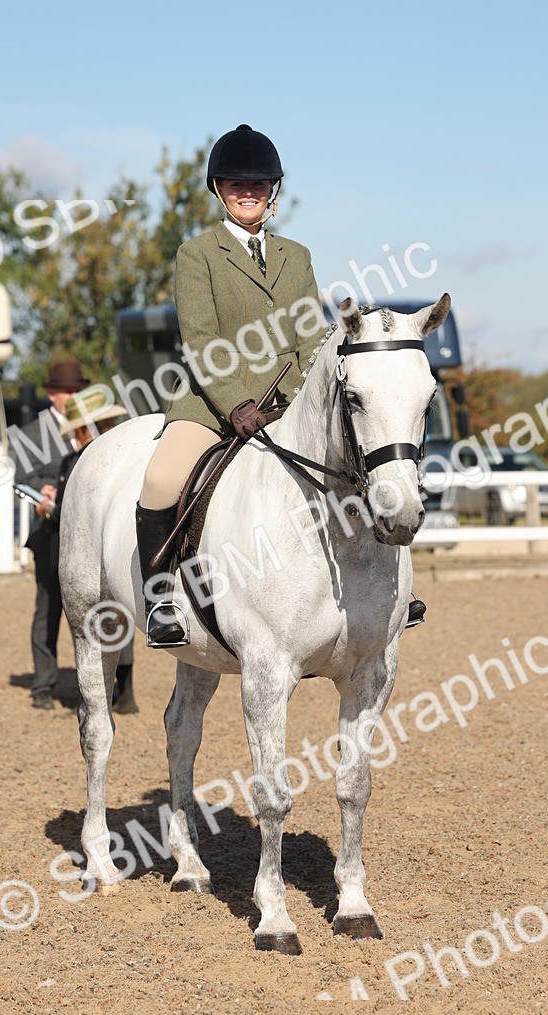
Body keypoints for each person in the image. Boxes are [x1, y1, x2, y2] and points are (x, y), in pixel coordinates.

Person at [136, 123, 328, 647]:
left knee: (358, 458)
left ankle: (385, 592)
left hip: (286, 403)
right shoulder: (196, 254)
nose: (250, 192)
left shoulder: (299, 256)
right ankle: (160, 599)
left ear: (273, 191)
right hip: (213, 402)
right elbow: (202, 340)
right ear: (218, 189)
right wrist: (239, 401)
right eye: (237, 184)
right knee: (160, 479)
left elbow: (312, 336)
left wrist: (290, 397)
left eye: (260, 184)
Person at [48, 385, 139, 714]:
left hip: (89, 548)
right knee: (122, 615)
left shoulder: (81, 463)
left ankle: (104, 691)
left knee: (92, 618)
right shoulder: (130, 459)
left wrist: (50, 506)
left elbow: (69, 512)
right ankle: (124, 690)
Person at [13, 359, 88, 709]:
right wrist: (40, 491)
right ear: (51, 394)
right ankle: (43, 683)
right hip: (48, 533)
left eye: (77, 390)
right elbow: (19, 481)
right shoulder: (31, 434)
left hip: (86, 537)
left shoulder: (92, 429)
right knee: (47, 607)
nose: (72, 397)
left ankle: (94, 683)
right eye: (66, 391)